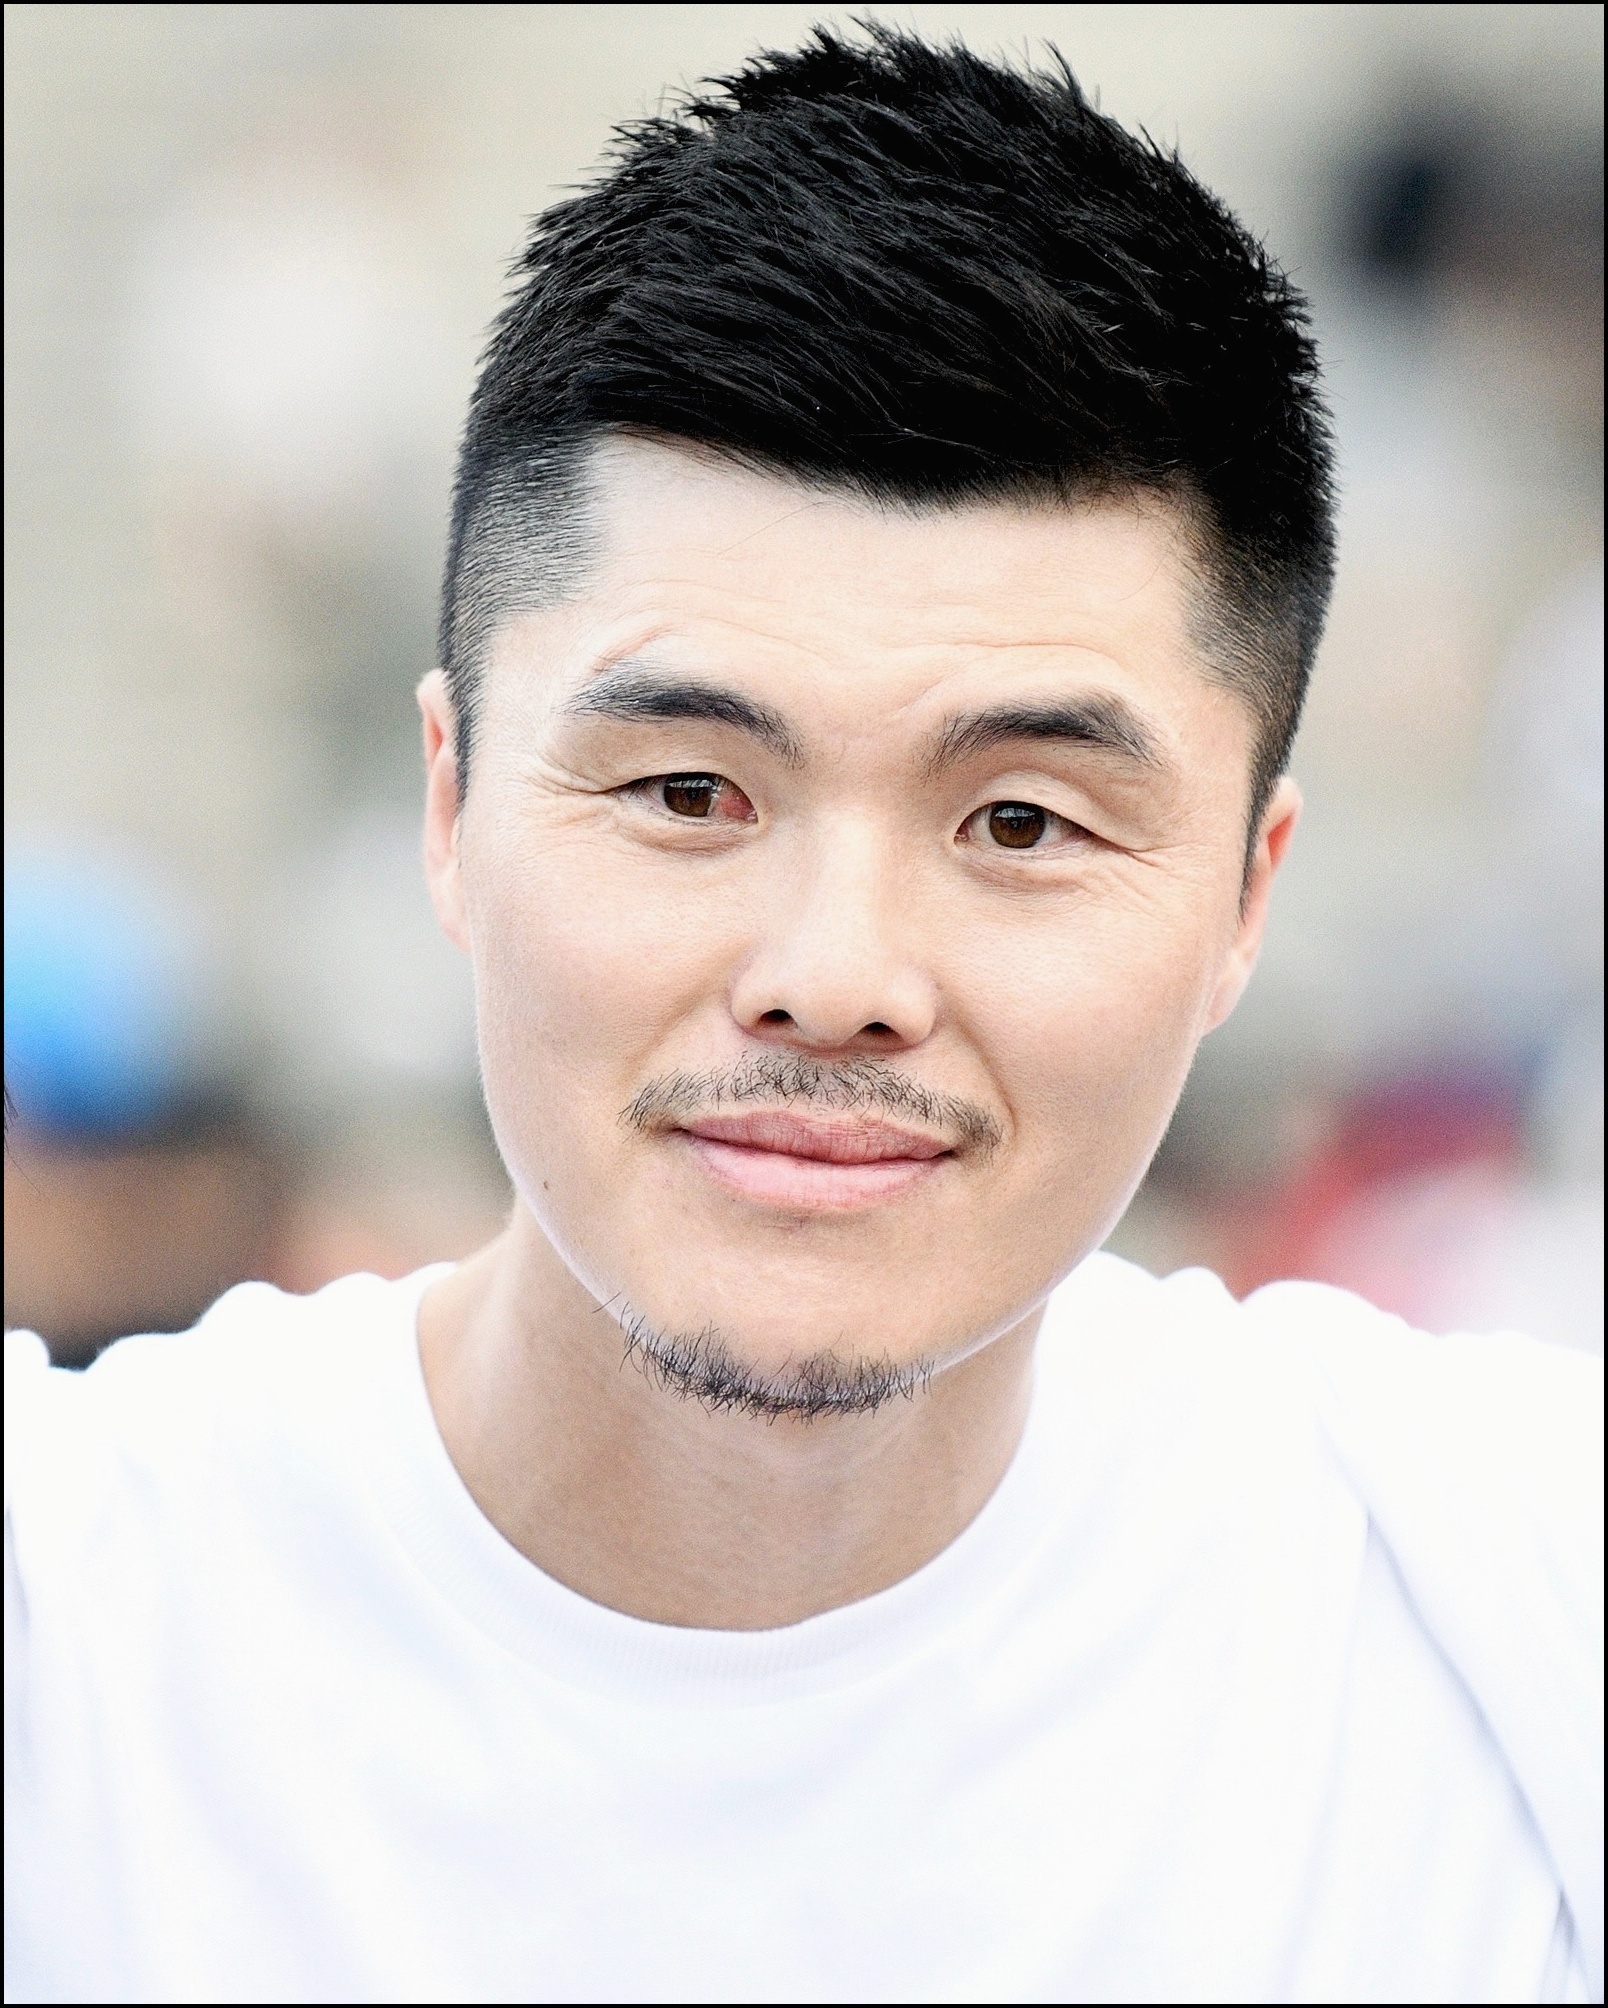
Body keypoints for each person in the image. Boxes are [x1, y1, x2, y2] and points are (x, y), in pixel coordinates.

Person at [6, 26, 1600, 2005]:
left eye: (1021, 821)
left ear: (1246, 896)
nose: (836, 976)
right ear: (451, 805)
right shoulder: (66, 1645)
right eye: (691, 791)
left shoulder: (1507, 1618)